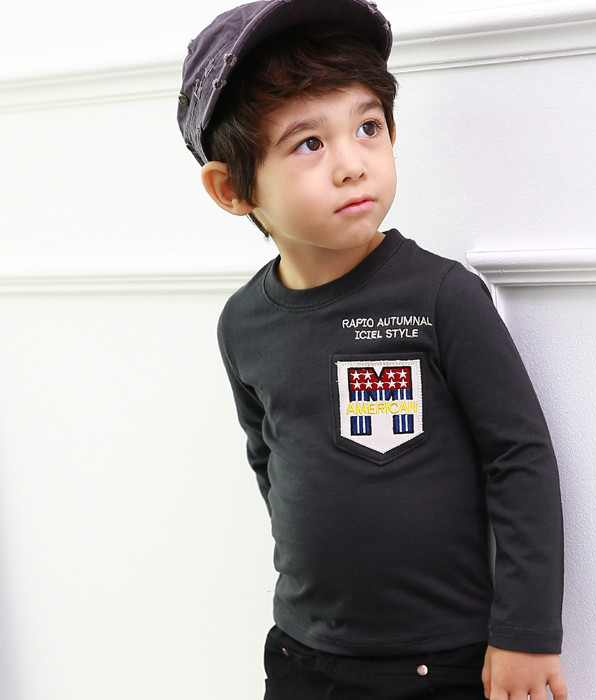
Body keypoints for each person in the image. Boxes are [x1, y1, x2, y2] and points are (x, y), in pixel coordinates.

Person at [177, 1, 568, 698]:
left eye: (368, 127)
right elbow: (271, 464)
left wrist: (526, 631)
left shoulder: (442, 297)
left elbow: (520, 459)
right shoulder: (242, 324)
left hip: (439, 665)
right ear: (231, 186)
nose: (353, 165)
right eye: (309, 143)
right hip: (303, 659)